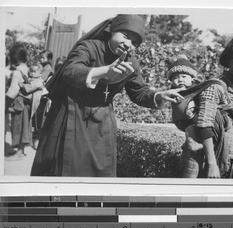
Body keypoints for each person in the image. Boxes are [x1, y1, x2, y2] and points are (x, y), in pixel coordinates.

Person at [30, 14, 184, 177]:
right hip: (73, 113)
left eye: (134, 43)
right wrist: (105, 71)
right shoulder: (89, 47)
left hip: (102, 119)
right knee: (69, 167)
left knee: (101, 170)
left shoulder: (131, 62)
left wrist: (159, 95)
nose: (128, 45)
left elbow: (139, 92)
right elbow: (70, 71)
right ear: (112, 31)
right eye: (125, 37)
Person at [172, 37, 233, 178]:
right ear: (228, 62)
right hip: (202, 149)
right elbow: (204, 126)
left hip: (227, 145)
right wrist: (212, 164)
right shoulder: (215, 87)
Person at [5, 43, 31, 161]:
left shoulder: (17, 72)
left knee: (18, 127)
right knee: (24, 127)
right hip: (26, 103)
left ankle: (19, 154)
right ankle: (21, 151)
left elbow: (14, 89)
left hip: (18, 103)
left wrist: (6, 97)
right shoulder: (26, 68)